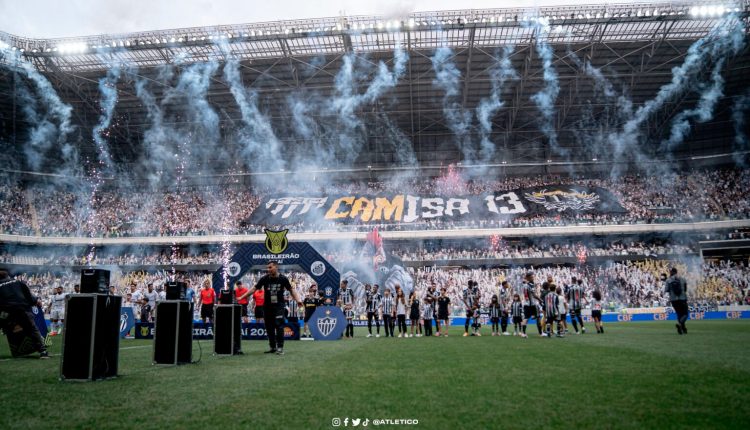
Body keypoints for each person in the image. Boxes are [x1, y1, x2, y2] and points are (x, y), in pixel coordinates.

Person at [237, 261, 302, 355]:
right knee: (269, 327)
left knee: (279, 326)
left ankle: (280, 347)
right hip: (267, 306)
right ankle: (272, 347)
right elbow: (254, 289)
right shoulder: (264, 278)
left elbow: (291, 290)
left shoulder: (283, 279)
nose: (268, 269)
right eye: (267, 268)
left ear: (276, 267)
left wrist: (298, 300)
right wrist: (242, 297)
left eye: (270, 267)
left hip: (279, 306)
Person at [0, 270, 49, 359]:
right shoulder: (18, 282)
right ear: (8, 276)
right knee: (32, 329)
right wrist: (36, 301)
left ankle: (16, 345)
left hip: (6, 312)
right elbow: (28, 295)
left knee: (8, 327)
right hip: (22, 309)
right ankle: (43, 351)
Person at [664, 267, 689, 335]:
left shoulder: (668, 280)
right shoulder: (682, 279)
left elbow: (666, 290)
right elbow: (685, 289)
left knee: (679, 314)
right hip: (682, 298)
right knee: (685, 314)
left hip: (673, 299)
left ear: (671, 272)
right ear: (676, 272)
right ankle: (680, 325)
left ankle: (683, 329)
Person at [522, 272, 543, 337]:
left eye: (533, 277)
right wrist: (540, 300)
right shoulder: (530, 285)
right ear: (528, 278)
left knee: (526, 318)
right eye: (531, 277)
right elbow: (534, 295)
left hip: (526, 304)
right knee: (538, 317)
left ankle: (523, 333)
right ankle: (540, 333)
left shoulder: (524, 285)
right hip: (532, 304)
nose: (533, 278)